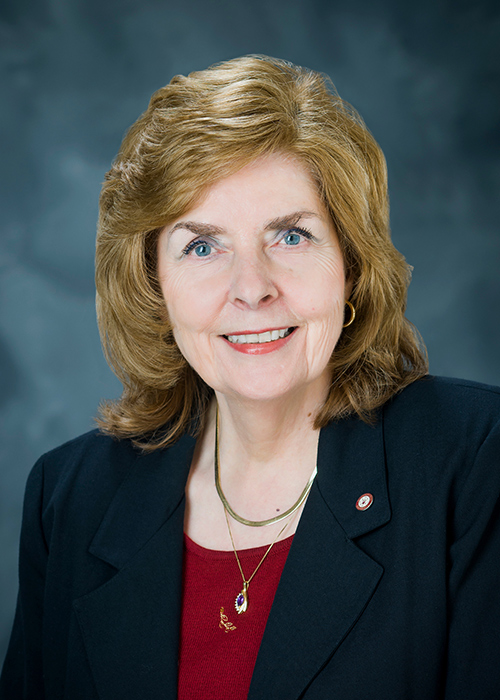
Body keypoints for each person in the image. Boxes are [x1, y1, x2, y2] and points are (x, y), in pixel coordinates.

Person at [1, 55, 499, 700]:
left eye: (290, 236)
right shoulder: (69, 497)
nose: (251, 290)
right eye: (202, 247)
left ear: (349, 260)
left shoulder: (474, 463)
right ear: (154, 285)